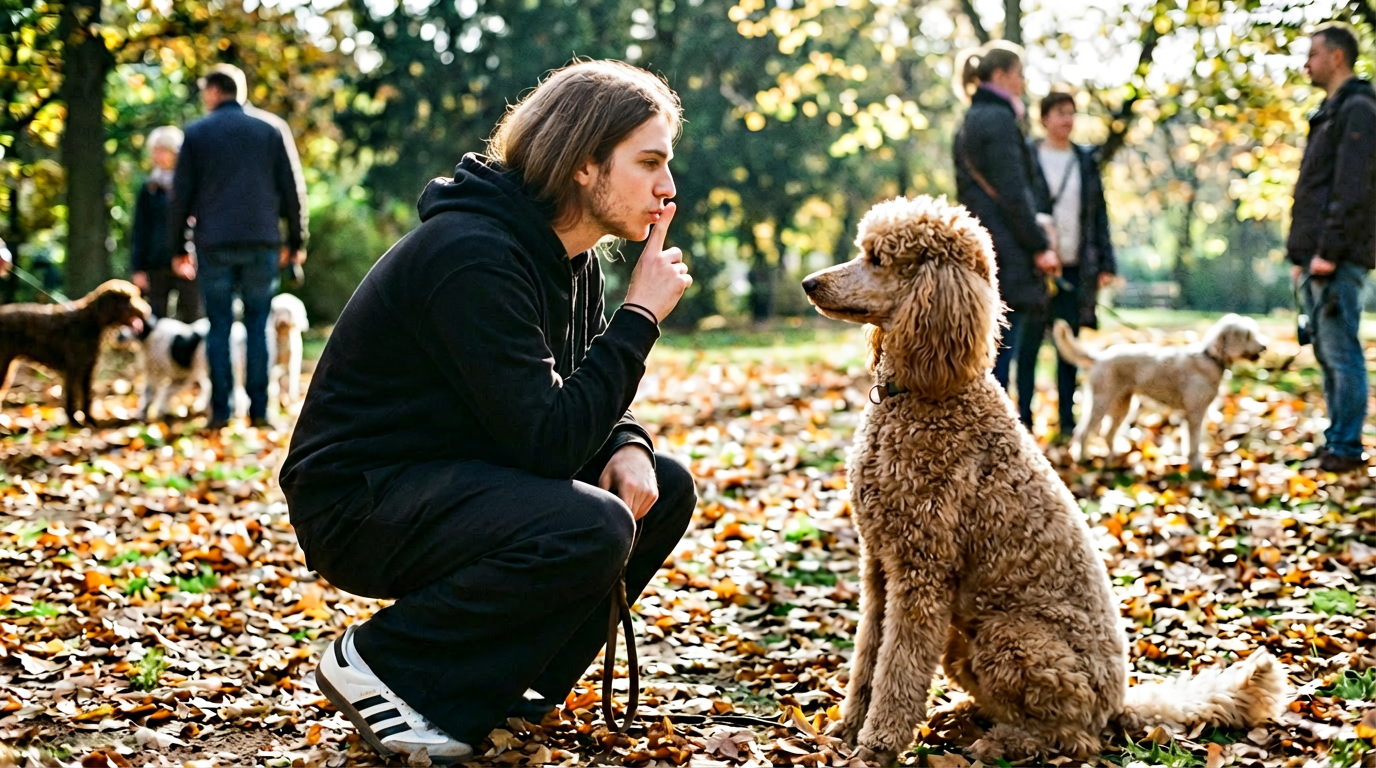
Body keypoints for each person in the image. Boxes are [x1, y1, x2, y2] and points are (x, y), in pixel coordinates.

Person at [280, 60, 697, 764]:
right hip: (359, 501)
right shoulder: (472, 254)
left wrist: (628, 440)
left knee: (664, 484)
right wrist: (641, 316)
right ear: (584, 164)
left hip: (458, 470)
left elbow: (574, 387)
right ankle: (388, 664)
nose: (668, 188)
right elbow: (545, 441)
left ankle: (513, 684)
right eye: (649, 162)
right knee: (591, 524)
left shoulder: (574, 260)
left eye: (668, 164)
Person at [168, 63, 307, 429]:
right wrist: (296, 241)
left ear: (214, 91)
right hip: (262, 240)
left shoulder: (197, 134)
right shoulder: (271, 129)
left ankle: (221, 411)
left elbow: (180, 197)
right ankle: (261, 411)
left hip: (213, 243)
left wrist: (178, 246)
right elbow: (293, 191)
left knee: (219, 326)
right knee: (259, 325)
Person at [952, 40, 1059, 428]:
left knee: (993, 350)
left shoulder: (973, 117)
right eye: (1019, 74)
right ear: (1001, 75)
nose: (1023, 83)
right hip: (1008, 252)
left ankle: (1001, 429)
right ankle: (1003, 433)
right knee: (1005, 351)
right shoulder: (998, 120)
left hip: (990, 246)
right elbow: (1014, 193)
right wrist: (1040, 245)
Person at [1288, 21, 1376, 473]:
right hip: (1316, 256)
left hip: (1336, 257)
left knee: (1342, 353)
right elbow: (1315, 189)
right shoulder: (1330, 111)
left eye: (1313, 54)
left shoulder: (1357, 109)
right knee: (1327, 352)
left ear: (1337, 57)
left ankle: (1345, 446)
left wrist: (1327, 251)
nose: (1307, 63)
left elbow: (1352, 189)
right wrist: (1300, 256)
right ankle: (1335, 439)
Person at [1029, 91, 1118, 439]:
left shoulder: (1085, 160)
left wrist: (1106, 262)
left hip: (1075, 267)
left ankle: (1067, 421)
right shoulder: (1029, 156)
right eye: (1060, 113)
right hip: (1037, 268)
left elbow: (1099, 215)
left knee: (1069, 346)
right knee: (1031, 344)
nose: (1067, 119)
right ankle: (1025, 419)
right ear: (1044, 118)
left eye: (1071, 113)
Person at [131, 126, 201, 322]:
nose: (157, 156)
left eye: (162, 150)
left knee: (193, 318)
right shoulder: (148, 188)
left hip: (188, 263)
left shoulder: (192, 184)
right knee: (155, 321)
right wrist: (138, 268)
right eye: (154, 151)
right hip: (156, 264)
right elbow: (140, 230)